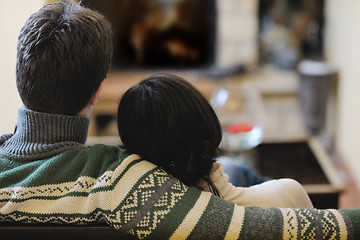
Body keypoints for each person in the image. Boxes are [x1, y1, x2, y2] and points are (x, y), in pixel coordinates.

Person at [0, 1, 359, 239]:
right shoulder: (120, 185)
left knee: (234, 168)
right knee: (242, 174)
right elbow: (274, 226)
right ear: (97, 92)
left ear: (19, 78)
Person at [117, 73, 313, 209]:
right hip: (236, 194)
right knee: (237, 170)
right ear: (208, 123)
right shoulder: (290, 195)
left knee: (232, 167)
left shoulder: (123, 205)